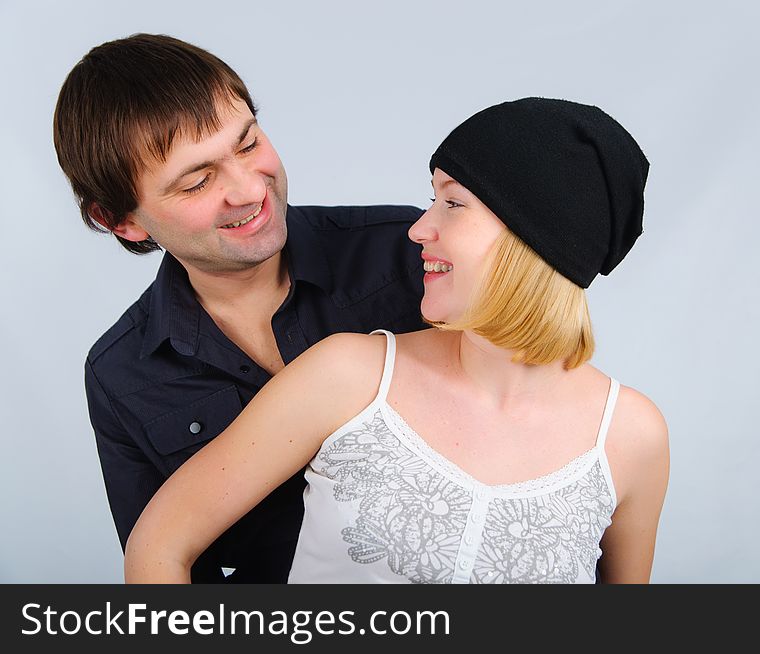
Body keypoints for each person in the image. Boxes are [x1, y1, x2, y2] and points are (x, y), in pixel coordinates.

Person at [124, 97, 670, 584]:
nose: (418, 229)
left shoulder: (632, 436)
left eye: (453, 204)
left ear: (535, 242)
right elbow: (159, 543)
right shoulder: (347, 374)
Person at [53, 33, 429, 583]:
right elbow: (166, 567)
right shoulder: (119, 374)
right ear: (121, 221)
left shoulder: (411, 250)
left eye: (249, 143)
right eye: (198, 182)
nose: (248, 190)